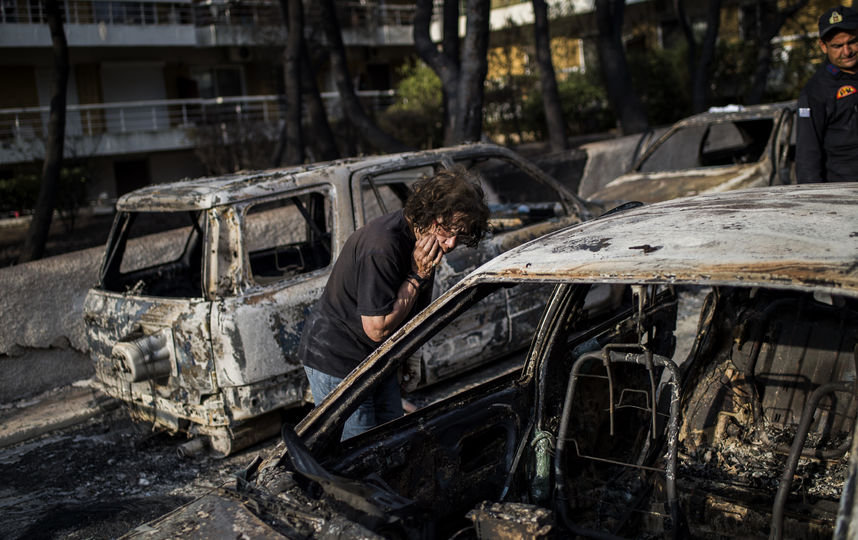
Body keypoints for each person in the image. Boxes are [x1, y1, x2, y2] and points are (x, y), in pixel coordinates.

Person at [297, 166, 490, 439]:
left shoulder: (425, 243)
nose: (450, 244)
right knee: (360, 448)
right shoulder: (383, 246)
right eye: (448, 231)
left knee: (391, 437)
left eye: (461, 235)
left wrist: (407, 358)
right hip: (338, 359)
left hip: (377, 359)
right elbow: (377, 328)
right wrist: (417, 275)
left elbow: (415, 310)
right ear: (429, 214)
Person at [796, 5, 858, 183]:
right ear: (823, 46)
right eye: (837, 46)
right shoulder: (815, 92)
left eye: (852, 42)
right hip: (844, 188)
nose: (847, 52)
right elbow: (807, 156)